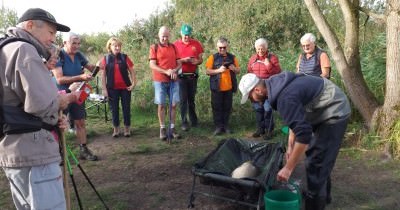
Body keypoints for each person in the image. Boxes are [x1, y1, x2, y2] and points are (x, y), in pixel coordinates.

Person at [0, 8, 80, 209]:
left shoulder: (4, 48)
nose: (53, 39)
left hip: (14, 150)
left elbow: (20, 104)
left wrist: (53, 120)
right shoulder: (23, 49)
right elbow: (42, 104)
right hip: (34, 152)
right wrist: (66, 99)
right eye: (51, 33)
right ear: (29, 26)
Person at [239, 72, 351, 210]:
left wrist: (288, 168)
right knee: (319, 157)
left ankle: (315, 204)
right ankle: (323, 196)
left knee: (317, 161)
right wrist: (290, 146)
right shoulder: (276, 85)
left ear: (258, 90)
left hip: (334, 109)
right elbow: (296, 120)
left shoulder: (284, 98)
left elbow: (304, 135)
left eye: (250, 96)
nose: (252, 100)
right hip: (320, 106)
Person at [52, 32, 98, 161]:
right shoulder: (58, 55)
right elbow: (59, 79)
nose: (77, 46)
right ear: (65, 43)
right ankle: (58, 153)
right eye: (73, 43)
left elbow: (91, 68)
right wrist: (80, 77)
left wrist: (100, 66)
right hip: (62, 95)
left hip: (78, 94)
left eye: (78, 43)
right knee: (60, 124)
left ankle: (83, 149)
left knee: (80, 121)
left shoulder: (79, 55)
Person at [149, 26, 182, 141]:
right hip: (160, 80)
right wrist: (166, 71)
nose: (165, 38)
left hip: (174, 80)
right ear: (159, 35)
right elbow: (152, 65)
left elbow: (179, 63)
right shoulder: (154, 47)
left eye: (167, 36)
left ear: (169, 36)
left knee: (173, 104)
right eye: (163, 36)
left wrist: (174, 70)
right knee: (161, 104)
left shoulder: (174, 47)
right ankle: (162, 128)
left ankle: (172, 128)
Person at [100, 37, 137, 138]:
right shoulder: (105, 58)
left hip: (126, 88)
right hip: (112, 89)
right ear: (110, 47)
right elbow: (103, 76)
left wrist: (133, 84)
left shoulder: (124, 57)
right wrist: (104, 89)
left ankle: (127, 129)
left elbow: (132, 71)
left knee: (126, 108)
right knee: (114, 109)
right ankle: (116, 129)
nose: (117, 47)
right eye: (115, 45)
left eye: (119, 46)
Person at [247, 38, 281, 139]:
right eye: (258, 49)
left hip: (268, 89)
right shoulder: (253, 59)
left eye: (262, 49)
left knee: (267, 109)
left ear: (266, 48)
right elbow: (248, 73)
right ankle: (260, 130)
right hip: (256, 91)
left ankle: (269, 131)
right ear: (255, 49)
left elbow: (278, 72)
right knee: (258, 110)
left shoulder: (272, 58)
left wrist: (268, 65)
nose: (260, 51)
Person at [205, 37, 240, 135]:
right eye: (220, 48)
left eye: (224, 47)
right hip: (217, 87)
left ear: (227, 46)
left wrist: (233, 68)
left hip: (229, 88)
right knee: (216, 107)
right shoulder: (213, 57)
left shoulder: (232, 57)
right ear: (217, 47)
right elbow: (207, 71)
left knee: (227, 107)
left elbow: (238, 71)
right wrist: (218, 70)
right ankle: (218, 127)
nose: (222, 49)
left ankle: (226, 126)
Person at [173, 24, 204, 131]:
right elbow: (173, 60)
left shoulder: (196, 44)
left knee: (191, 99)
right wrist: (183, 60)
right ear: (181, 33)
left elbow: (201, 59)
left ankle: (194, 121)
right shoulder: (175, 45)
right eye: (185, 35)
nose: (186, 37)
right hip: (181, 76)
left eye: (188, 35)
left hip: (193, 76)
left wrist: (197, 61)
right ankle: (184, 122)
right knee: (183, 100)